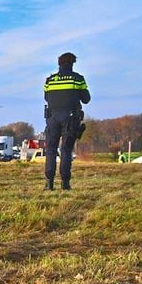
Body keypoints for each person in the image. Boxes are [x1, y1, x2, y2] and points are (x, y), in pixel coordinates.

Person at [42, 52, 91, 190]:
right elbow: (86, 99)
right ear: (72, 63)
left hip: (52, 118)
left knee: (51, 150)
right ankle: (65, 183)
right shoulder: (78, 79)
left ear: (59, 64)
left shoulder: (49, 81)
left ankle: (49, 183)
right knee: (66, 150)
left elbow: (47, 98)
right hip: (70, 117)